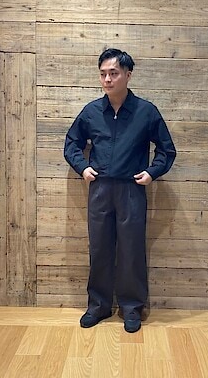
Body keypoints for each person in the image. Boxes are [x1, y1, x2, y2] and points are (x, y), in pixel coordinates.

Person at [64, 48, 176, 333]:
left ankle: (131, 307)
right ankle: (98, 306)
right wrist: (82, 167)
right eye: (103, 74)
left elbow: (167, 150)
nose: (107, 79)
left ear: (128, 74)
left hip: (131, 190)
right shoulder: (91, 112)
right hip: (100, 189)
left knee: (131, 249)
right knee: (99, 248)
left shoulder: (146, 112)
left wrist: (152, 172)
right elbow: (72, 143)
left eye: (113, 73)